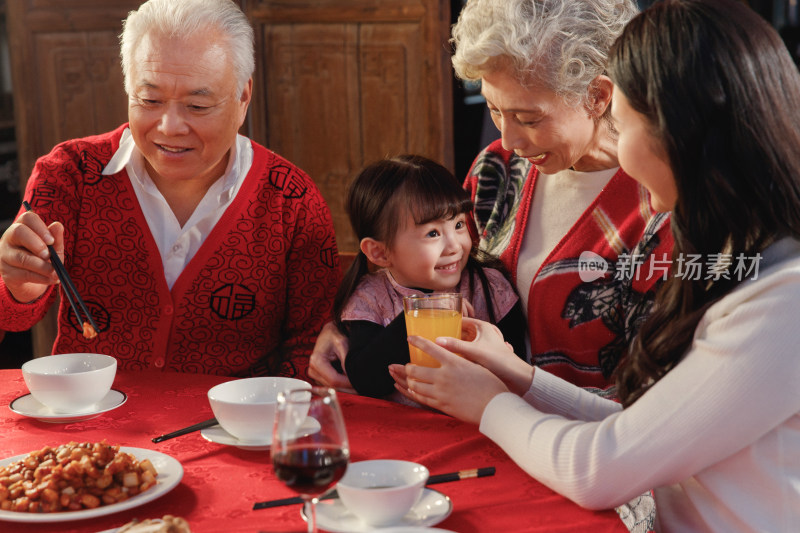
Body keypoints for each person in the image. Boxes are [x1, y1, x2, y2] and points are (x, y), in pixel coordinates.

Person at [396, 0, 800, 530]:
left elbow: (602, 466)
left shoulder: (780, 298)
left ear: (681, 134)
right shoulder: (753, 264)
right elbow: (640, 426)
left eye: (624, 123)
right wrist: (518, 376)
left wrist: (492, 404)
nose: (623, 155)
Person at [309, 0, 674, 399]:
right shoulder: (496, 171)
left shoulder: (663, 201)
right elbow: (436, 278)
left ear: (598, 96)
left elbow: (658, 399)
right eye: (494, 109)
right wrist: (357, 332)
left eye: (529, 118)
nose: (509, 140)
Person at [0, 0, 339, 379]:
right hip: (93, 427)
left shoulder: (290, 200)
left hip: (233, 430)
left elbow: (312, 346)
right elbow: (11, 318)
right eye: (150, 100)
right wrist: (19, 287)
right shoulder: (70, 174)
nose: (169, 127)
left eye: (197, 105)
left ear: (243, 98)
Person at [334, 155, 525, 403]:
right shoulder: (371, 296)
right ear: (380, 252)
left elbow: (518, 372)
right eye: (433, 233)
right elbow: (365, 380)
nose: (455, 245)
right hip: (406, 431)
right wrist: (418, 316)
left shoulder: (489, 288)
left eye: (458, 224)